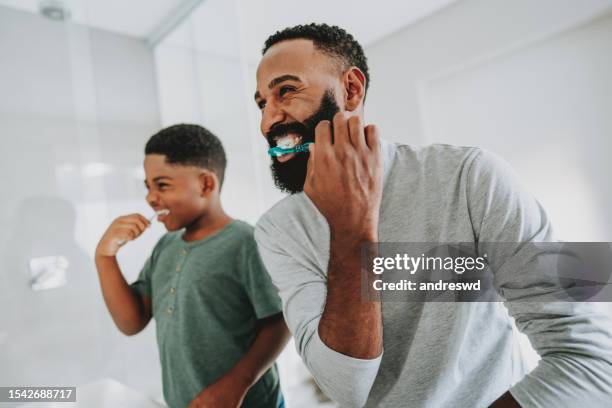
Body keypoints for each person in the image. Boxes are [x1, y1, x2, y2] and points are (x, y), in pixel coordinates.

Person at [252, 23, 612, 407]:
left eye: (286, 91)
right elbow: (346, 388)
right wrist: (352, 228)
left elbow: (592, 362)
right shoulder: (277, 230)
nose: (267, 121)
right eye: (261, 103)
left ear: (351, 90)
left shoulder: (471, 176)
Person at [95, 124, 290, 408]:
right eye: (148, 186)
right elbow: (131, 322)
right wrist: (104, 256)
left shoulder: (245, 242)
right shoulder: (166, 246)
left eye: (162, 185)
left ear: (206, 184)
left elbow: (280, 321)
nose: (150, 197)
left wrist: (236, 384)